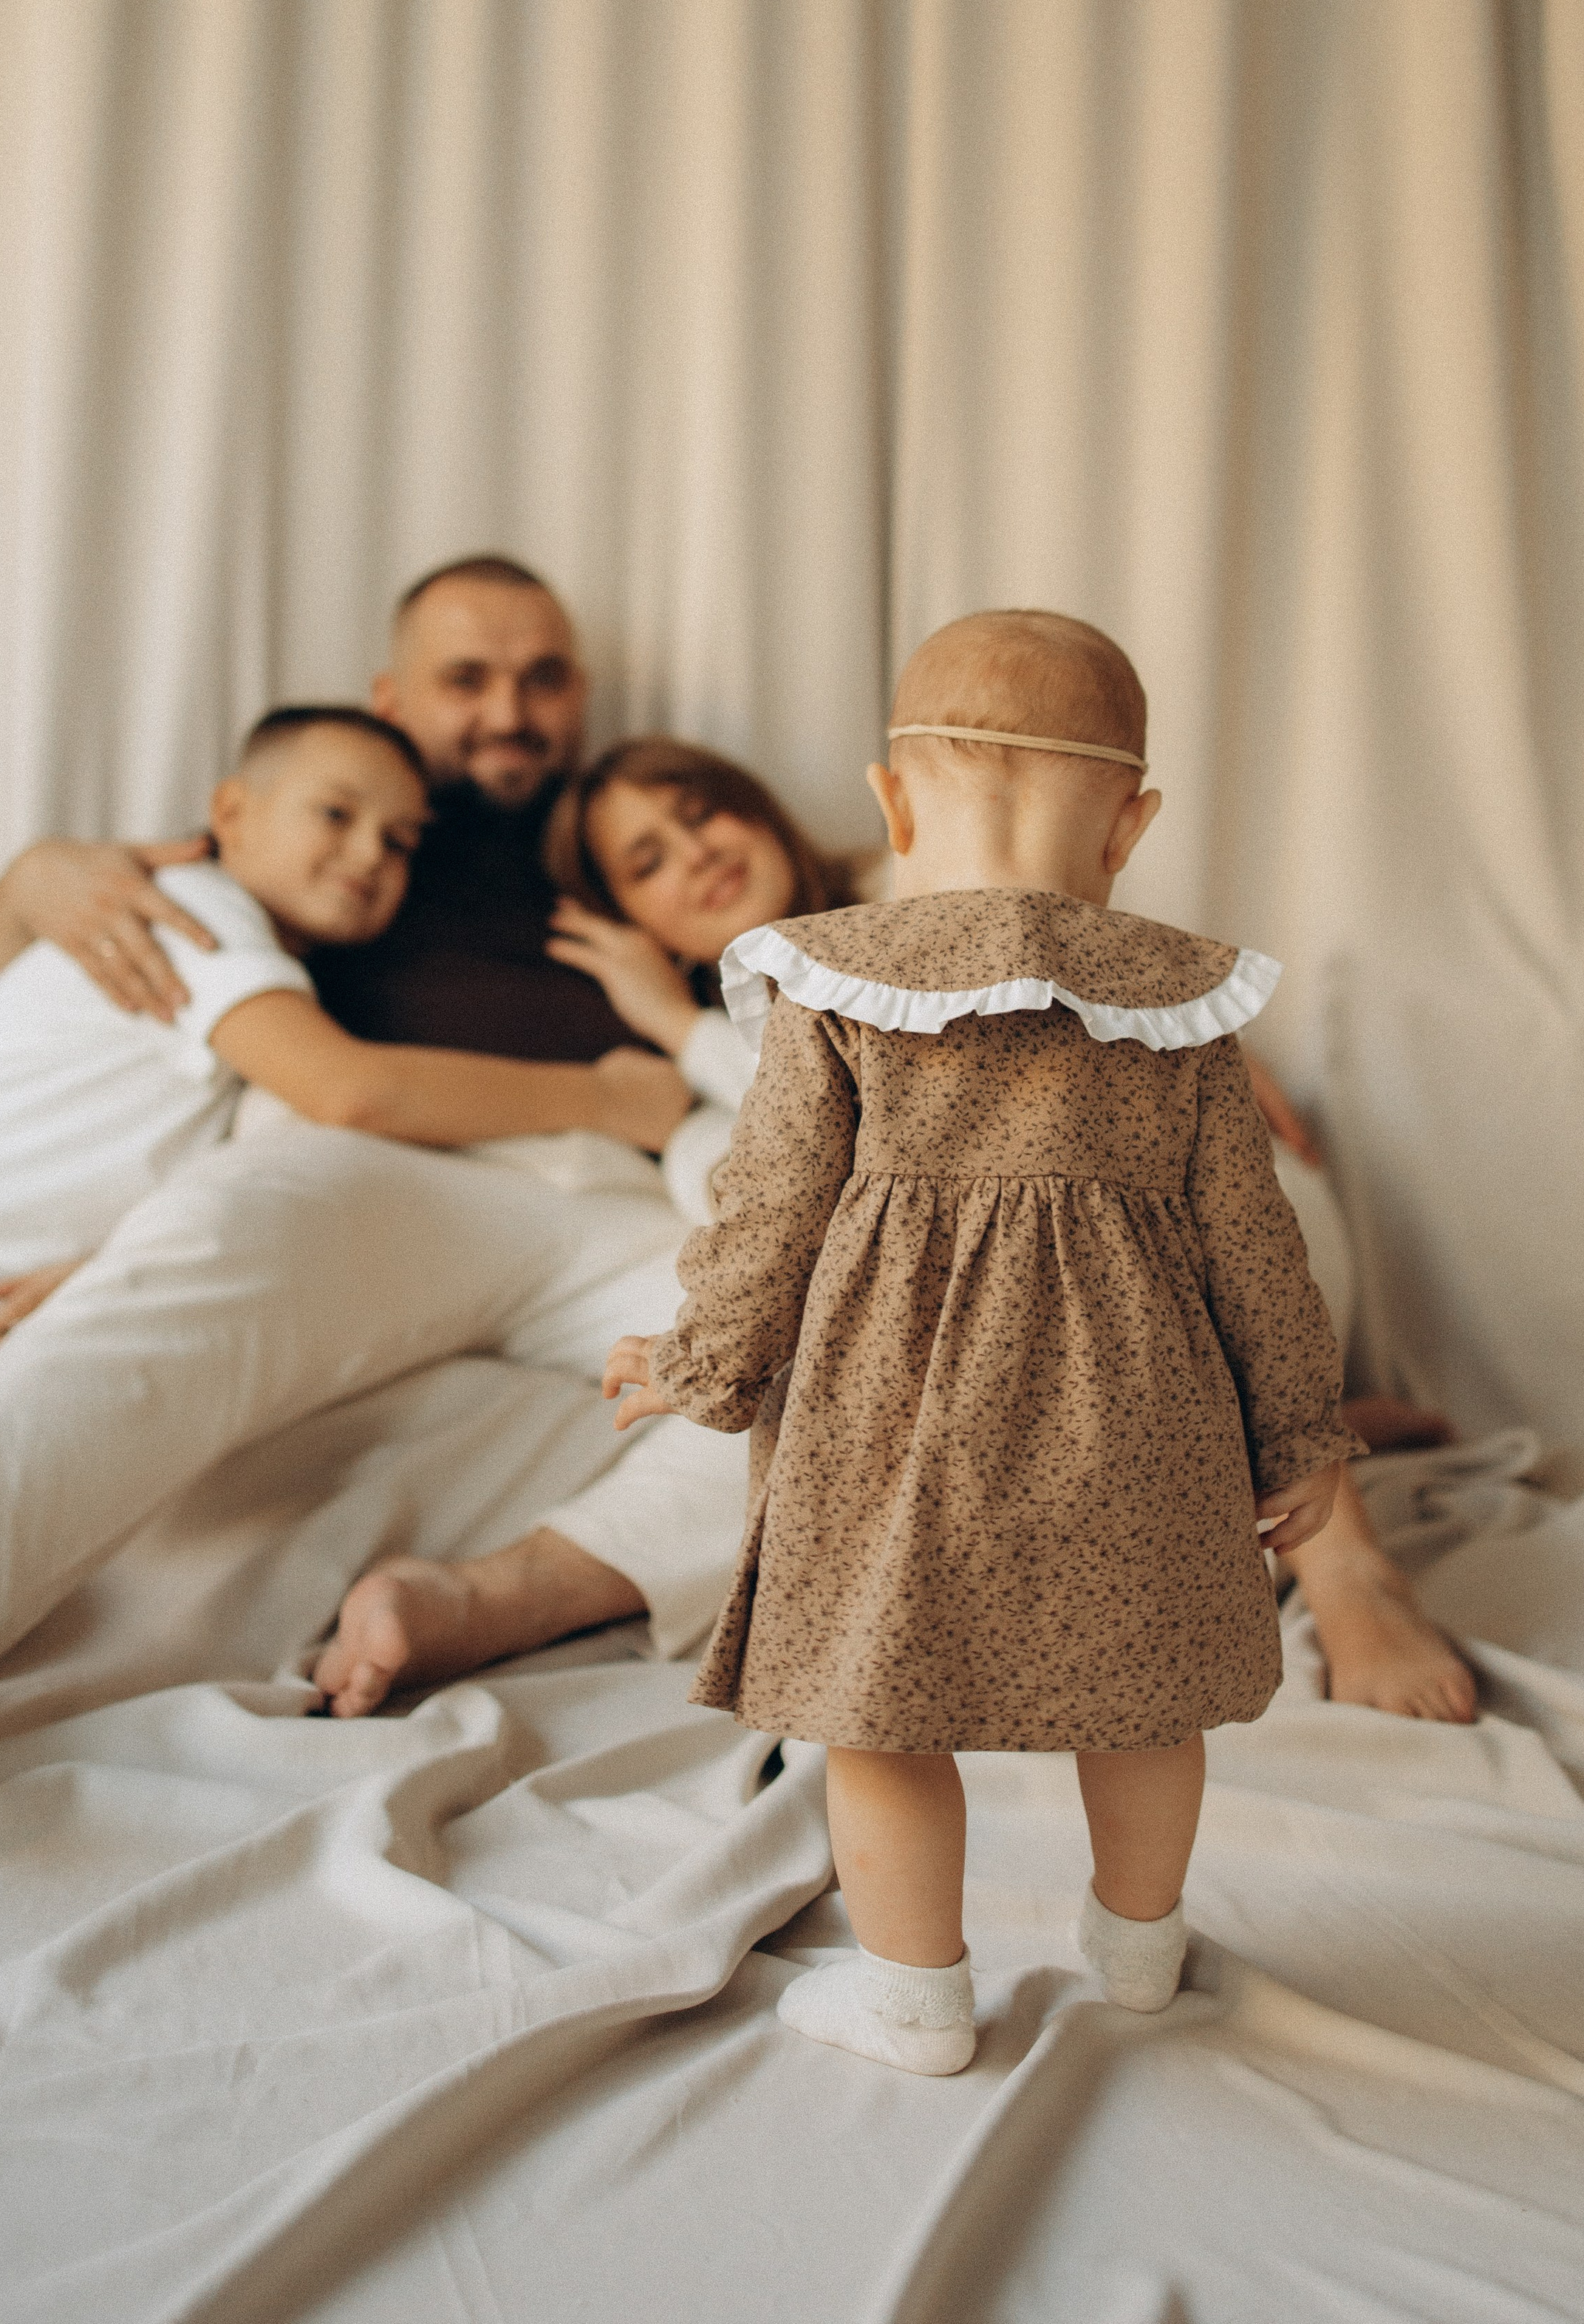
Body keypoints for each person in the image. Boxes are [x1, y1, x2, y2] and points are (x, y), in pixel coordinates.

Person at [0, 562, 739, 1797]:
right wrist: (30, 877)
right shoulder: (305, 863)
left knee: (836, 1344)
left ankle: (491, 1601)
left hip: (639, 1199)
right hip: (390, 1180)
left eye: (543, 677)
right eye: (469, 679)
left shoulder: (621, 831)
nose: (510, 710)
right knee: (224, 1230)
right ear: (391, 700)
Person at [603, 608, 1359, 2075]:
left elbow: (767, 1207)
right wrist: (1299, 1437)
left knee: (877, 1712)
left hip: (889, 1429)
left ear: (890, 803)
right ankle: (1138, 1959)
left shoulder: (831, 980)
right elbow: (1256, 1254)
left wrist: (699, 1362)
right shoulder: (1185, 1003)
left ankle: (913, 1995)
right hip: (1136, 1425)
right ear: (1127, 824)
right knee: (1142, 1699)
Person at [539, 731, 1478, 1728]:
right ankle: (1305, 1436)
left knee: (1086, 1259)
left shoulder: (923, 876)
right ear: (642, 926)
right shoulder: (727, 1047)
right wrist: (680, 1030)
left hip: (1211, 1237)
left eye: (699, 812)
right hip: (1067, 1326)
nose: (694, 855)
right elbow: (787, 1169)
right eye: (647, 862)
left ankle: (1352, 1573)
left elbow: (1020, 1097)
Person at [0, 707, 467, 1565]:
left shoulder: (272, 1010)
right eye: (337, 814)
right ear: (233, 814)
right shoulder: (190, 910)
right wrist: (610, 1095)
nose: (369, 855)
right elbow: (353, 1091)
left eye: (400, 843)